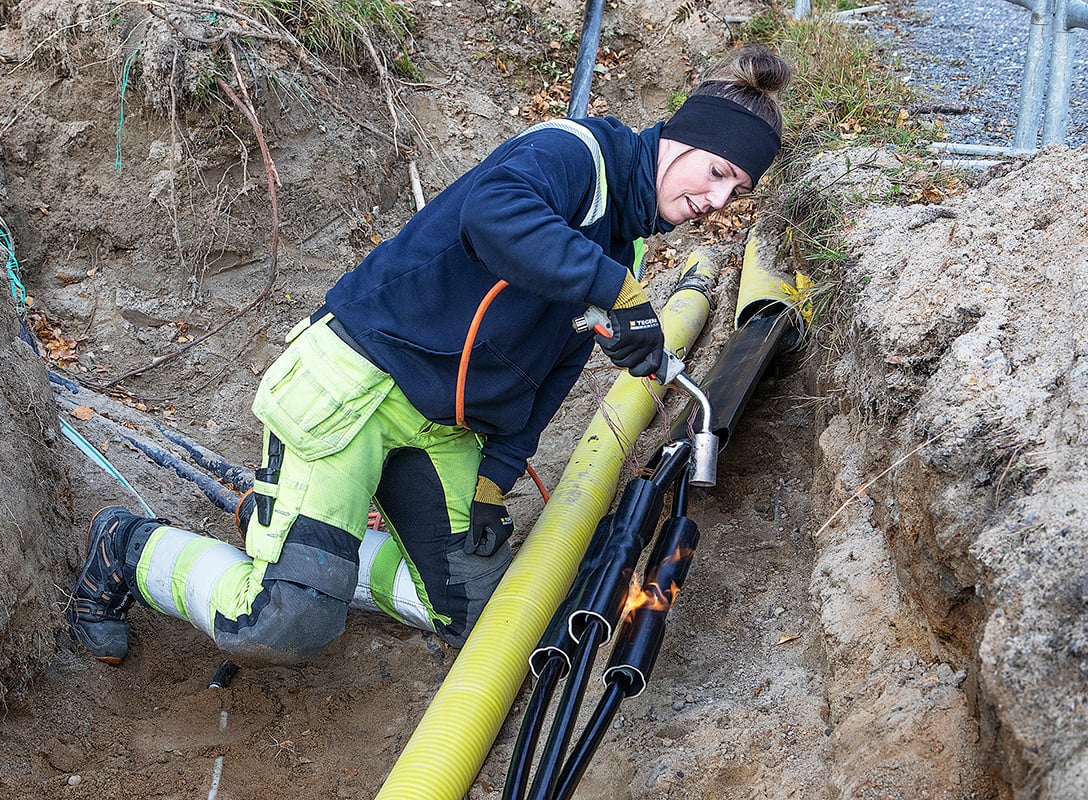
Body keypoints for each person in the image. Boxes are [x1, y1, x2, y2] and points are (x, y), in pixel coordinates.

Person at [66, 45, 792, 666]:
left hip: (438, 429)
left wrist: (496, 478)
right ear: (683, 137)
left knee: (486, 622)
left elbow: (554, 368)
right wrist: (620, 289)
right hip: (355, 387)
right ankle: (127, 547)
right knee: (285, 626)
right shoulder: (574, 154)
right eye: (717, 171)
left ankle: (315, 548)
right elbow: (496, 215)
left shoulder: (620, 244)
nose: (718, 197)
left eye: (737, 188)